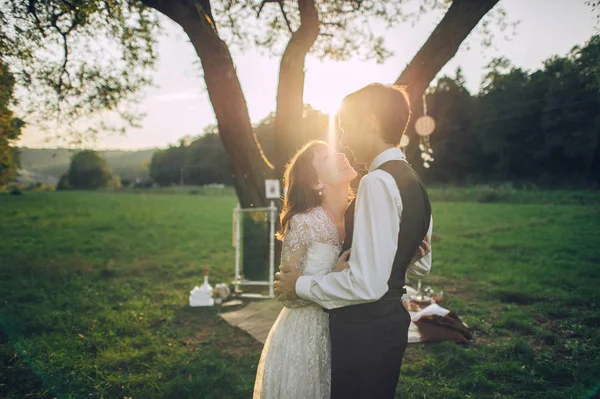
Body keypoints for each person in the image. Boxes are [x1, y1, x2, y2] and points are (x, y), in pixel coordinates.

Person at [275, 83, 433, 399]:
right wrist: (405, 251)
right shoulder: (413, 180)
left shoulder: (376, 182)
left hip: (365, 332)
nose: (344, 141)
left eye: (346, 128)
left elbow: (367, 285)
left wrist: (301, 285)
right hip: (388, 328)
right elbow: (423, 265)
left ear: (370, 122)